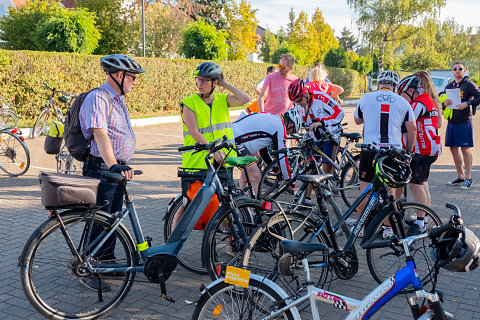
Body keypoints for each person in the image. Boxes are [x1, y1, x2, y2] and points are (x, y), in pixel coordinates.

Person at [79, 54, 145, 291]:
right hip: (102, 167)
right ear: (119, 75)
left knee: (113, 218)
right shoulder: (99, 97)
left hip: (114, 168)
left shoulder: (117, 98)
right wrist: (113, 164)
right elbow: (100, 134)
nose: (135, 82)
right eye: (133, 78)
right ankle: (88, 268)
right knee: (99, 220)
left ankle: (106, 261)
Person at [173, 62, 250, 229]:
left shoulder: (222, 100)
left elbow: (246, 99)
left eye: (205, 80)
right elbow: (194, 132)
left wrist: (225, 83)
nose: (199, 83)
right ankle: (171, 241)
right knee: (189, 204)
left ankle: (231, 242)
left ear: (215, 83)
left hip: (223, 161)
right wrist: (213, 152)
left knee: (224, 203)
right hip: (198, 163)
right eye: (198, 80)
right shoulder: (189, 102)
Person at [353, 70, 416, 237]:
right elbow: (412, 128)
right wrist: (408, 151)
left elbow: (357, 120)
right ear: (395, 86)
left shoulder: (366, 97)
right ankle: (388, 229)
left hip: (370, 149)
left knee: (364, 189)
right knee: (390, 191)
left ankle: (360, 227)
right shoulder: (403, 102)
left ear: (379, 83)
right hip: (392, 151)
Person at [397, 74, 442, 235]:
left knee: (416, 185)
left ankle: (421, 222)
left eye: (402, 94)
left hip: (422, 150)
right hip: (430, 148)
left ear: (411, 90)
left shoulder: (418, 103)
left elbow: (405, 124)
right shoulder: (426, 98)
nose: (402, 98)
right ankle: (424, 217)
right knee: (423, 185)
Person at [288, 78, 345, 205]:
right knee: (309, 166)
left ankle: (328, 196)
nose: (298, 103)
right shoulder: (298, 103)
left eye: (299, 100)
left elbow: (339, 112)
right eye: (295, 101)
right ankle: (307, 199)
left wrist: (323, 122)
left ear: (306, 93)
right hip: (314, 137)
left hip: (330, 135)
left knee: (326, 167)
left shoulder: (321, 98)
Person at [232, 108, 302, 195]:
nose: (289, 134)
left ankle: (242, 204)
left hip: (233, 136)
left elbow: (263, 152)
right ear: (290, 124)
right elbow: (282, 156)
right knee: (256, 175)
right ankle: (252, 207)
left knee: (246, 173)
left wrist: (276, 170)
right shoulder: (280, 127)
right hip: (237, 141)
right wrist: (289, 179)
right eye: (293, 131)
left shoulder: (275, 119)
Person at [443, 62, 480, 190]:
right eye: (455, 69)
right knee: (453, 148)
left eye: (460, 69)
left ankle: (468, 178)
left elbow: (479, 96)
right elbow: (441, 101)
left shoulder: (468, 84)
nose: (457, 70)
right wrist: (444, 103)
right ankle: (460, 176)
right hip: (452, 122)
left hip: (464, 121)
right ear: (452, 71)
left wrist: (467, 103)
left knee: (465, 149)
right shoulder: (449, 86)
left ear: (464, 71)